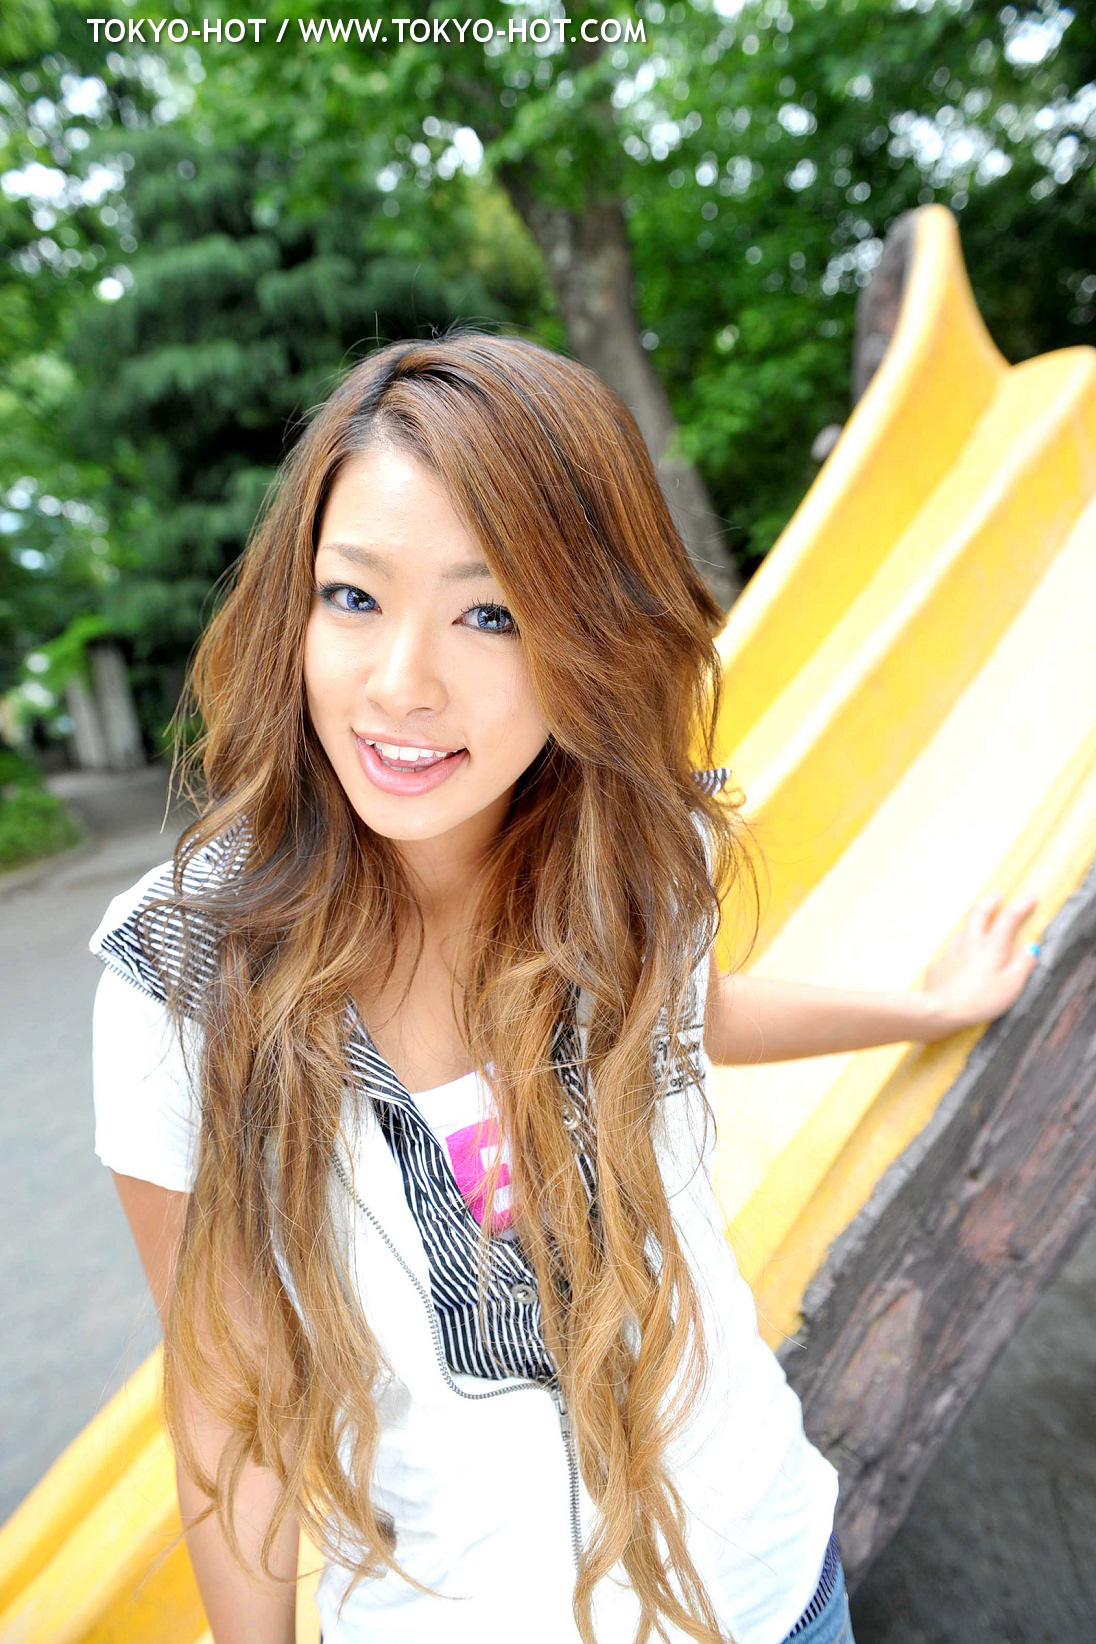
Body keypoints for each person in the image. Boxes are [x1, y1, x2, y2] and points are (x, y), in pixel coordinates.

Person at [88, 330, 1040, 1644]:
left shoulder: (630, 852)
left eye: (491, 614)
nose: (401, 684)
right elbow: (227, 1399)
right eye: (353, 597)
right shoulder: (184, 972)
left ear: (590, 635)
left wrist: (926, 1008)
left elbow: (693, 1016)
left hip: (768, 1588)